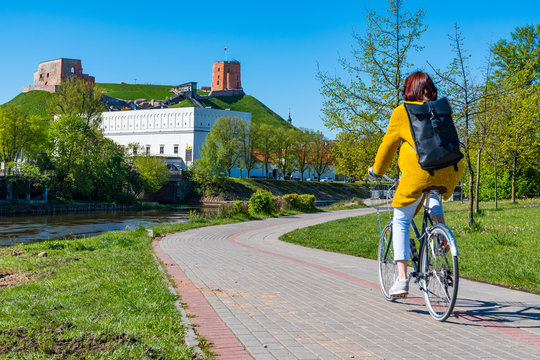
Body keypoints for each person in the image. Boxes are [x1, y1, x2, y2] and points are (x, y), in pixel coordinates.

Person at [368, 71, 463, 297]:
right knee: (432, 195)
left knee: (401, 219)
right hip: (448, 171)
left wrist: (377, 171)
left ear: (408, 90)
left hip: (418, 175)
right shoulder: (441, 109)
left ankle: (401, 280)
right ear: (429, 88)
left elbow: (388, 146)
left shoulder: (403, 112)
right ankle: (442, 233)